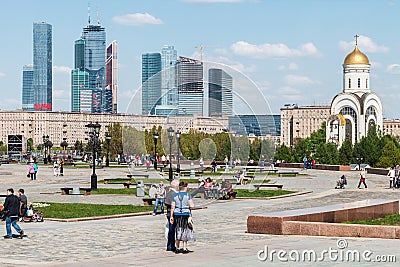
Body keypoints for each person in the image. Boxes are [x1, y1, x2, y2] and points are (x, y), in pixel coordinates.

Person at [170, 182, 195, 254]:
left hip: (177, 214)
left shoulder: (175, 196)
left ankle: (177, 248)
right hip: (185, 214)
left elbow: (172, 207)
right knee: (185, 229)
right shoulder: (188, 195)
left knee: (178, 229)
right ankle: (184, 247)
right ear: (185, 188)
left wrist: (171, 216)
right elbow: (192, 205)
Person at [164, 179, 179, 252]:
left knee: (171, 230)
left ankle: (170, 245)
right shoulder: (173, 193)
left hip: (170, 213)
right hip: (172, 213)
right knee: (172, 230)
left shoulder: (169, 192)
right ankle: (171, 246)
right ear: (176, 186)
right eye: (178, 185)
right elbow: (170, 203)